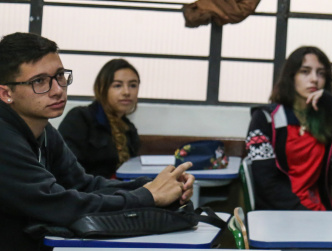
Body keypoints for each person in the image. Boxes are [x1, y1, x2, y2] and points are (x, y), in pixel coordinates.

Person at [0, 32, 195, 251]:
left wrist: (153, 185)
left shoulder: (44, 131)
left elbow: (84, 185)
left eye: (60, 76)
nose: (57, 90)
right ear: (6, 93)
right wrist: (148, 196)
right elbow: (60, 204)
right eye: (39, 81)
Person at [245, 46, 332, 211]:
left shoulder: (326, 121)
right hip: (279, 215)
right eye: (305, 71)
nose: (314, 79)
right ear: (291, 77)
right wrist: (305, 215)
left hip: (321, 212)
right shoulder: (265, 118)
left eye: (321, 73)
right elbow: (266, 183)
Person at [59, 59, 141, 178]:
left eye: (133, 85)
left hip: (118, 192)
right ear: (102, 88)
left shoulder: (129, 129)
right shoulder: (80, 118)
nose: (127, 92)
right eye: (117, 85)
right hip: (87, 193)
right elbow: (67, 170)